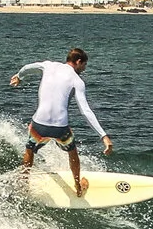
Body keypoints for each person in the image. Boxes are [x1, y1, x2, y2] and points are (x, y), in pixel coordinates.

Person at [9, 47, 111, 194]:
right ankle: (77, 187)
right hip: (60, 129)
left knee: (30, 149)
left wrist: (19, 77)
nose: (84, 69)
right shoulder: (77, 80)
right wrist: (104, 136)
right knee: (72, 153)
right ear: (78, 61)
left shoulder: (48, 65)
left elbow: (27, 68)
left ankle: (23, 184)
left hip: (39, 125)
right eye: (84, 65)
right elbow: (85, 111)